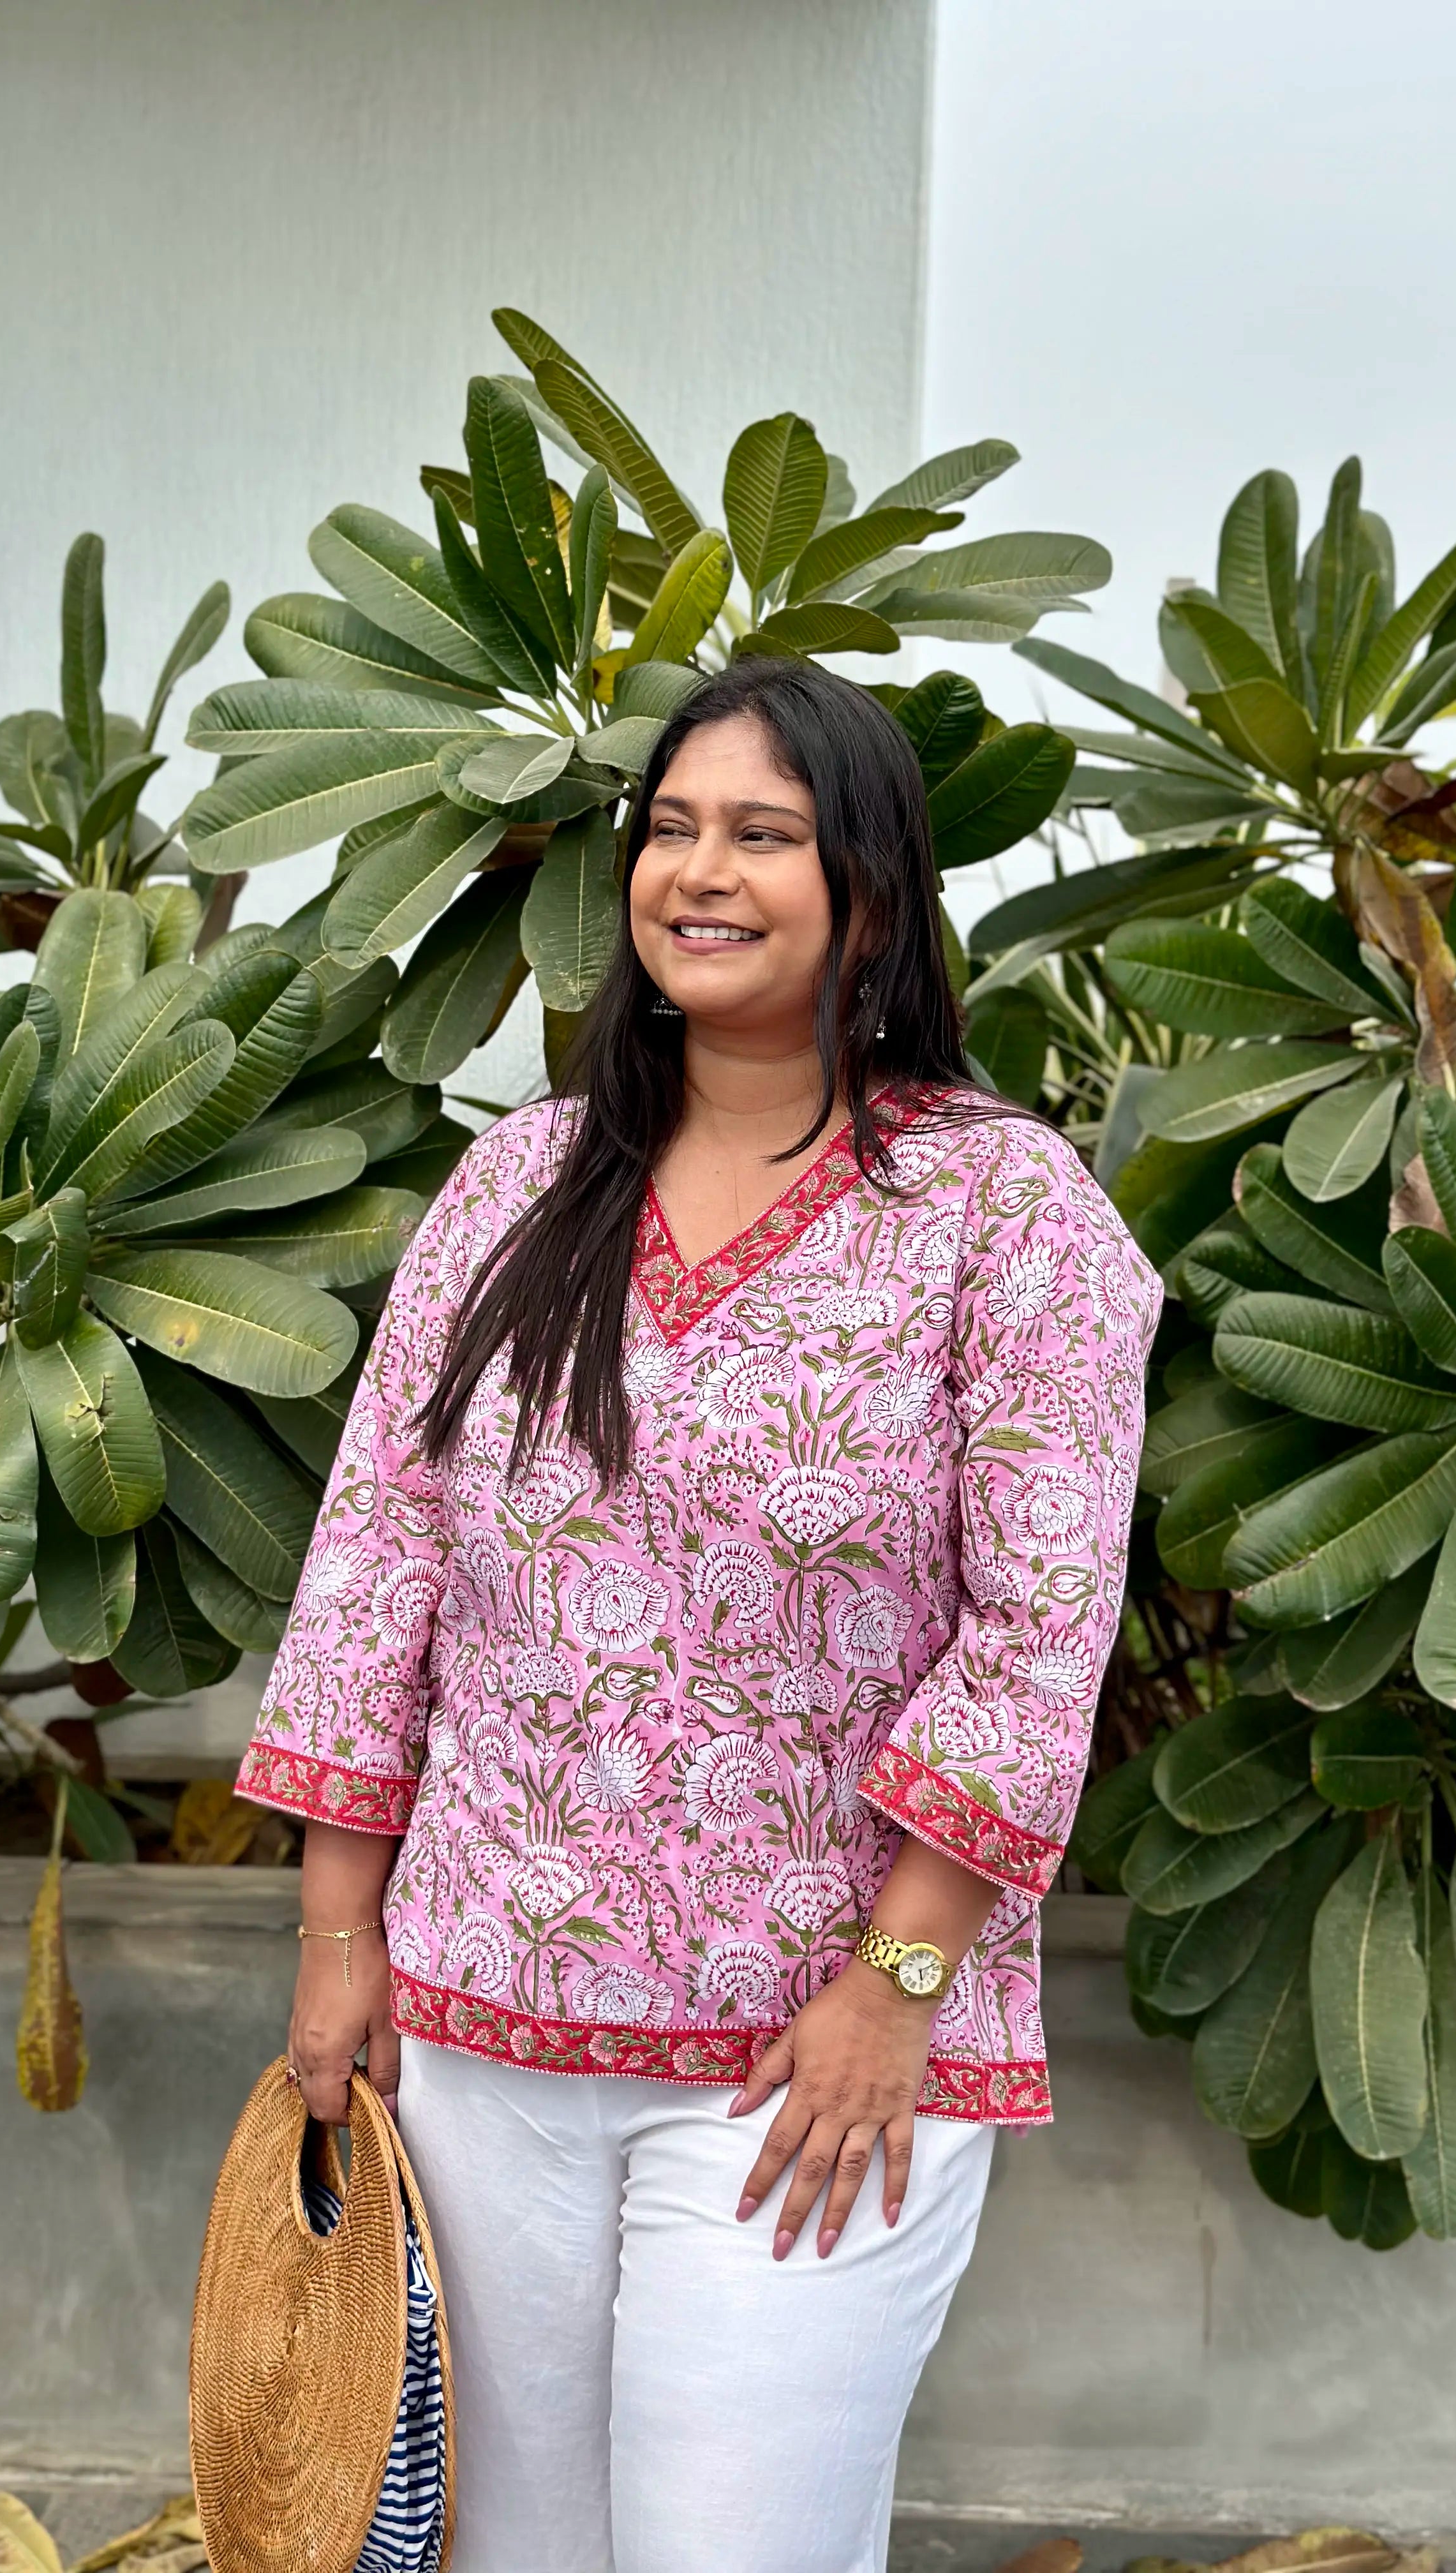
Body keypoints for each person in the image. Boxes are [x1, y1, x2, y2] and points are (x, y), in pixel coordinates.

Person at [235, 655, 1159, 2573]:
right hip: (478, 2033)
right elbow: (376, 1559)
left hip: (811, 2062)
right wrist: (340, 1932)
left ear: (874, 899)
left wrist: (898, 1989)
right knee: (503, 2554)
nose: (699, 871)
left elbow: (1041, 1625)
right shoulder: (518, 1183)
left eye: (763, 833)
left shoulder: (1008, 1214)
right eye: (670, 827)